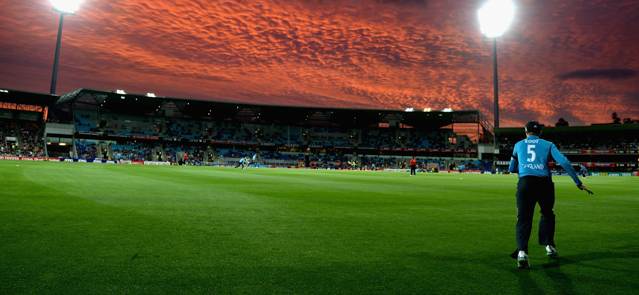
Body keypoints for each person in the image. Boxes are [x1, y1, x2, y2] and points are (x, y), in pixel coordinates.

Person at [508, 121, 593, 269]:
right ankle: (549, 246)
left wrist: (525, 169)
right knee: (547, 214)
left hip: (525, 183)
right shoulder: (548, 145)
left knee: (523, 218)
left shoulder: (518, 145)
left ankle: (522, 252)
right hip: (544, 184)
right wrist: (578, 182)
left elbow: (511, 168)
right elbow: (565, 162)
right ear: (540, 133)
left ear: (525, 131)